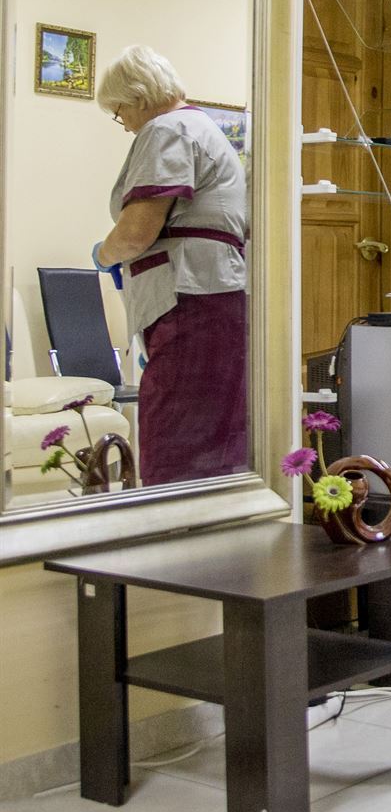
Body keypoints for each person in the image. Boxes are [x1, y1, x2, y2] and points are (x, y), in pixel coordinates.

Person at [93, 46, 248, 486]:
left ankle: (168, 540)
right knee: (216, 435)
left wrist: (104, 255)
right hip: (216, 292)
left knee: (176, 435)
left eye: (119, 110)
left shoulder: (168, 128)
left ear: (139, 96)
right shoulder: (202, 127)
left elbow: (138, 230)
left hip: (190, 296)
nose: (123, 123)